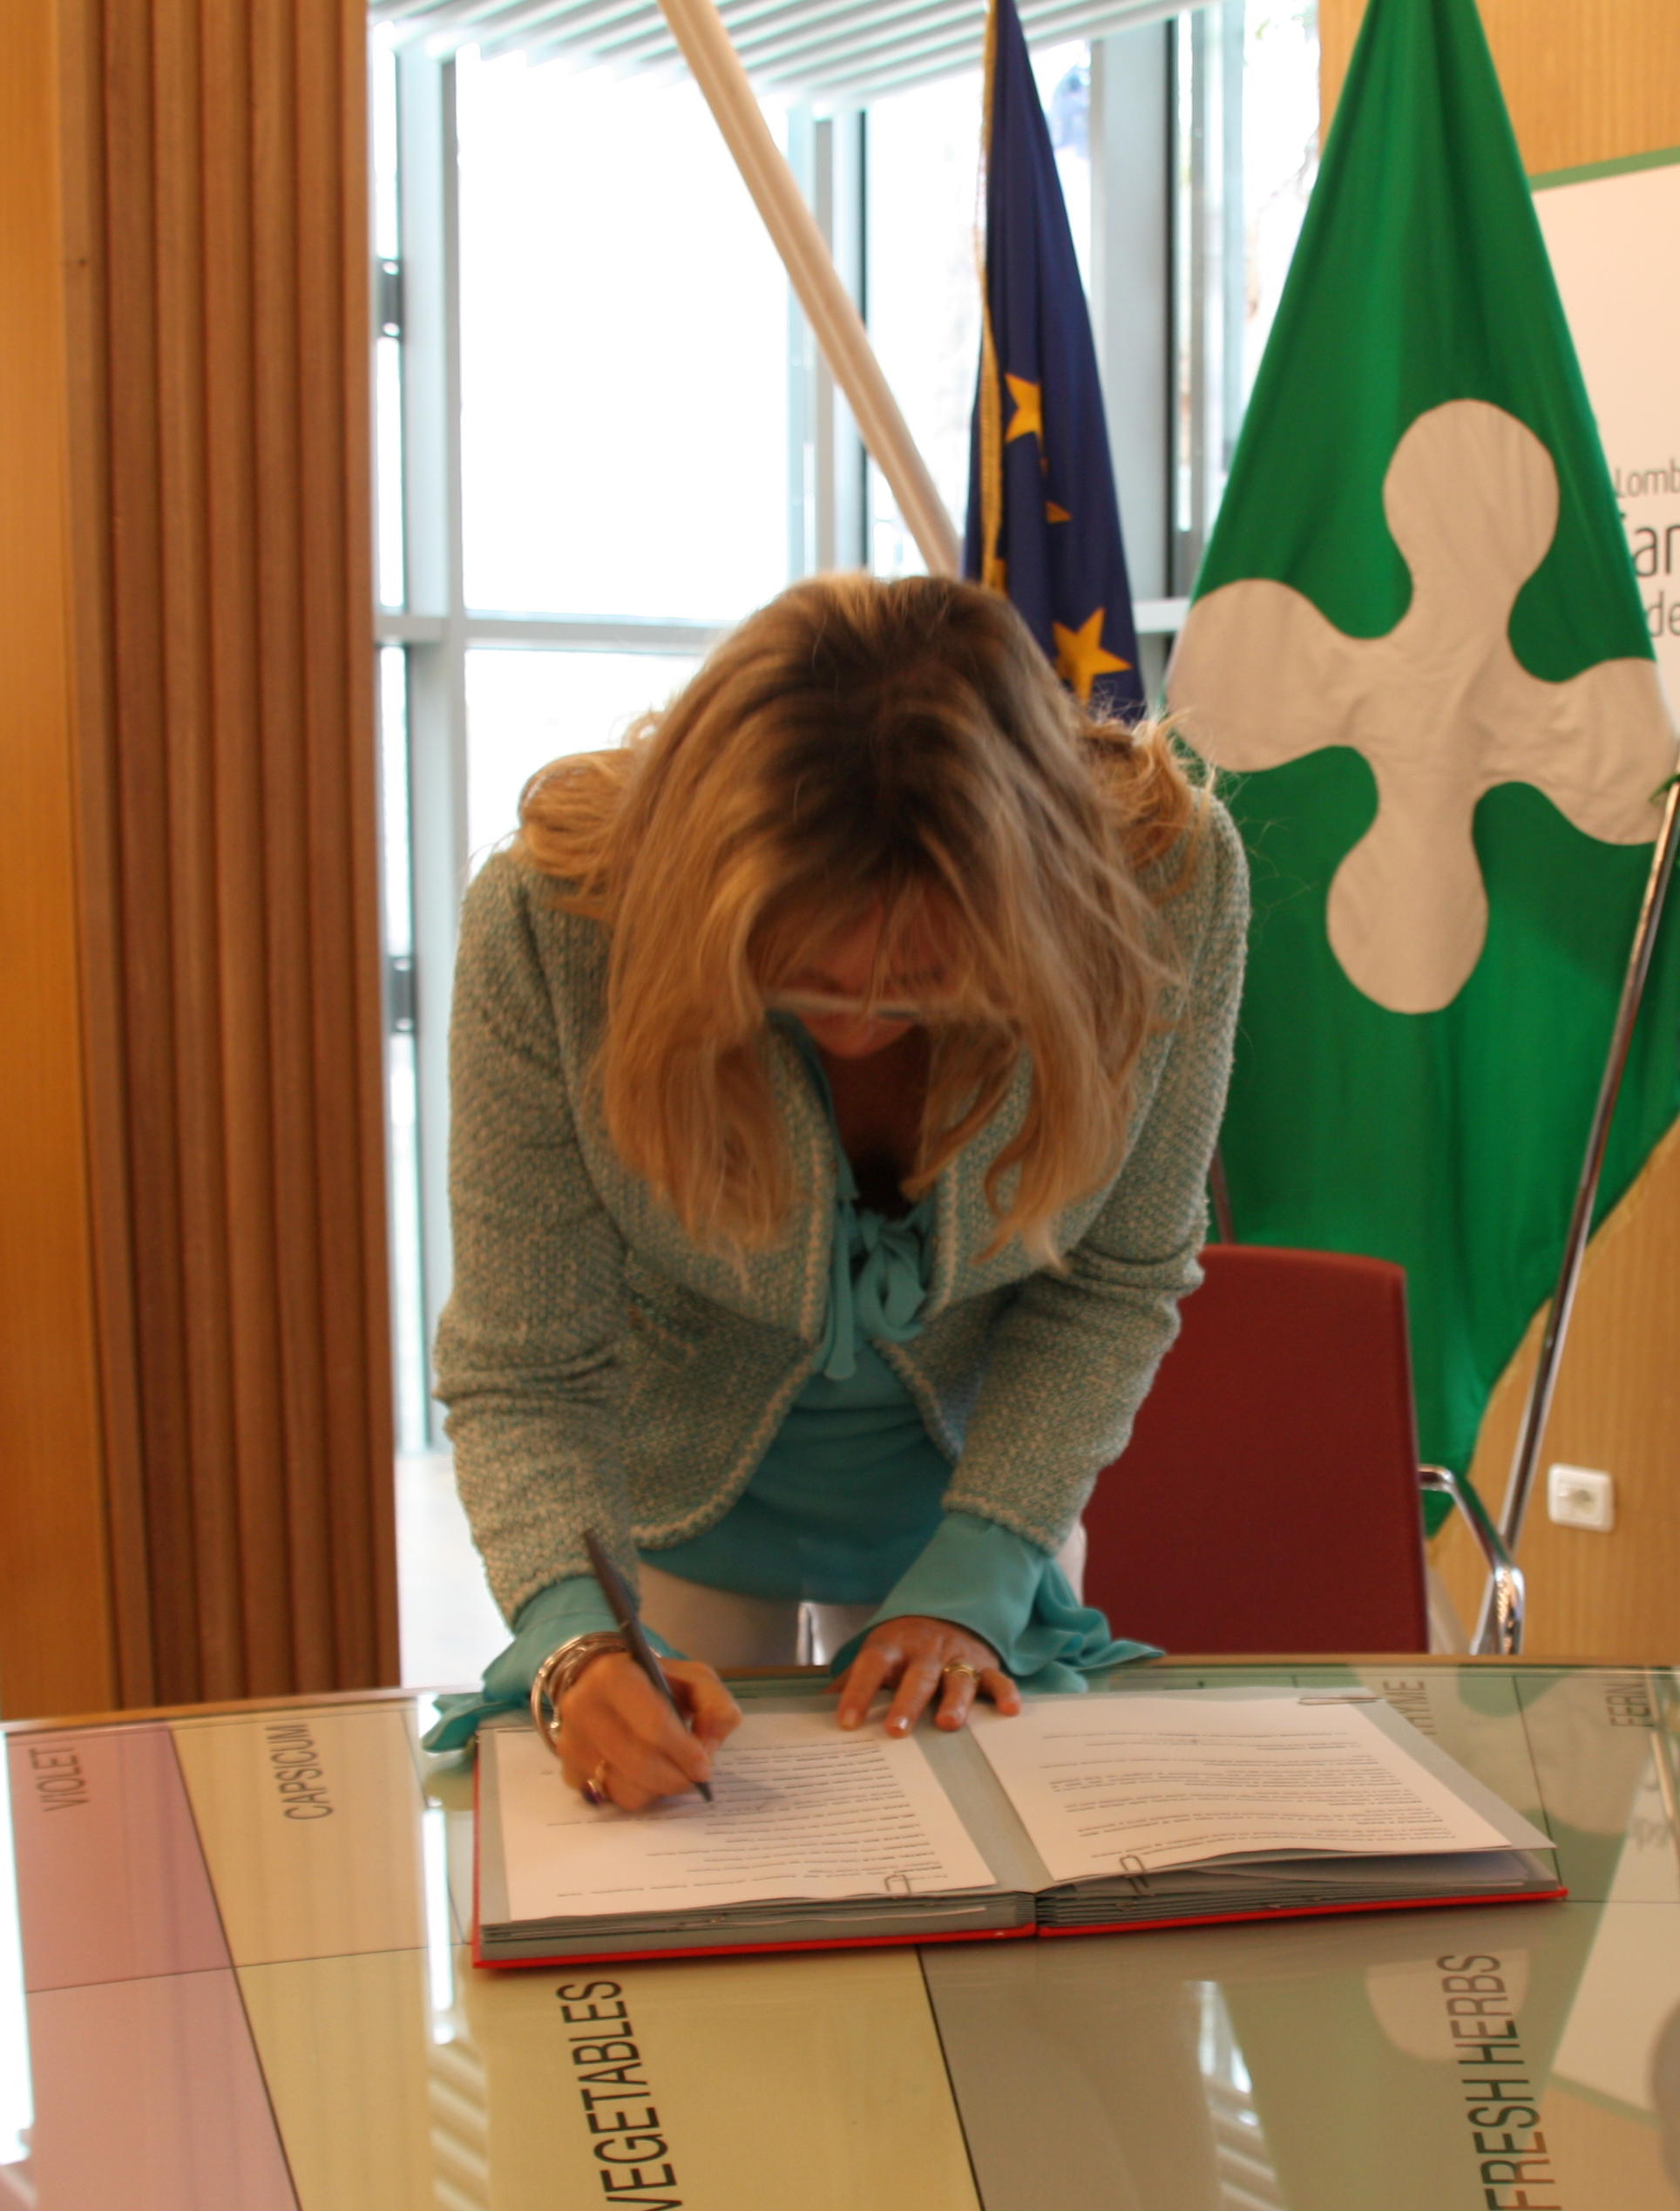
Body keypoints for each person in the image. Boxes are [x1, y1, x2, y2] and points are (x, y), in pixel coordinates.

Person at [424, 573, 1248, 1810]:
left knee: (987, 1863)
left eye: (924, 981)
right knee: (661, 1831)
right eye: (798, 978)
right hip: (668, 1485)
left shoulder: (1163, 882)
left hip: (986, 1473)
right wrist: (573, 1636)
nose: (859, 1026)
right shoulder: (559, 917)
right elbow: (527, 1363)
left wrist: (980, 1572)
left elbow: (1116, 1281)